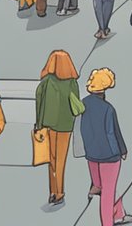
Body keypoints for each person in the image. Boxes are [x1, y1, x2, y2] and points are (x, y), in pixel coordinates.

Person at [81, 68, 132, 226]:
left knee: (103, 185)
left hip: (91, 154)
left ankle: (118, 214)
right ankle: (107, 222)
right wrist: (121, 150)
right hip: (109, 156)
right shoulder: (108, 109)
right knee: (108, 191)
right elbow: (113, 133)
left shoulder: (84, 104)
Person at [35, 50, 83, 206]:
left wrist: (39, 124)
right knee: (61, 160)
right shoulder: (72, 83)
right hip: (66, 126)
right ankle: (59, 191)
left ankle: (52, 191)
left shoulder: (47, 81)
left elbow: (39, 103)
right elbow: (75, 103)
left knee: (51, 160)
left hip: (49, 125)